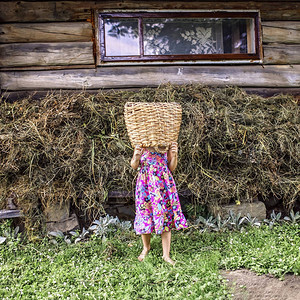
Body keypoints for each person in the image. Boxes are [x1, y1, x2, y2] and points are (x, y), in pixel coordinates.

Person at [130, 142, 187, 265]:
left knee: (165, 214)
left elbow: (171, 167)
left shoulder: (165, 145)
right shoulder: (142, 144)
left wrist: (174, 155)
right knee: (145, 213)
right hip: (145, 185)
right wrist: (136, 156)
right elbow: (134, 165)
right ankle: (146, 248)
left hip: (163, 184)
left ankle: (166, 255)